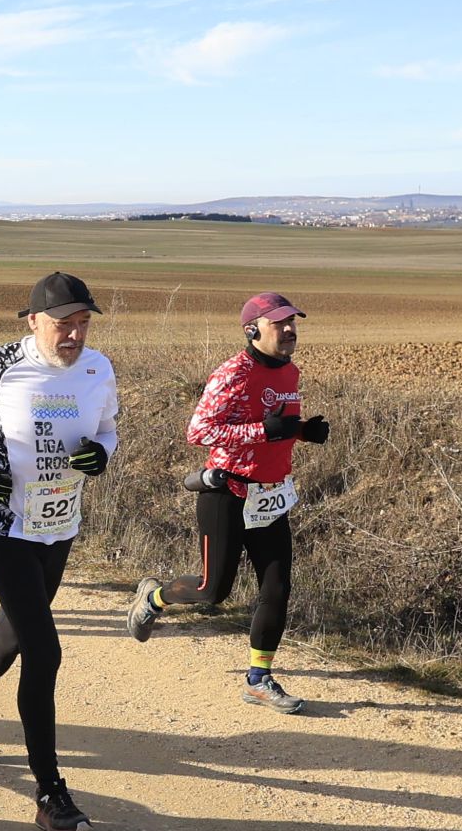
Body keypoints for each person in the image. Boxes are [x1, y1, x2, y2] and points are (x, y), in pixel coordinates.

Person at [0, 271, 118, 831]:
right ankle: (50, 790)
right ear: (33, 320)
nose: (74, 334)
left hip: (59, 523)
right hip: (2, 523)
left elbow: (108, 427)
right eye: (63, 323)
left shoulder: (98, 369)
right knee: (45, 649)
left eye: (83, 323)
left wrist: (100, 455)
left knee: (13, 634)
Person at [125, 292, 330, 715]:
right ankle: (154, 597)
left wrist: (302, 432)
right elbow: (198, 431)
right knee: (211, 589)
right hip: (227, 493)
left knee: (276, 587)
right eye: (279, 323)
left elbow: (276, 426)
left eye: (293, 322)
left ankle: (258, 679)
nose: (290, 330)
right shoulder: (234, 373)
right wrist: (262, 430)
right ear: (253, 330)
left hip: (270, 494)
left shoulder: (290, 371)